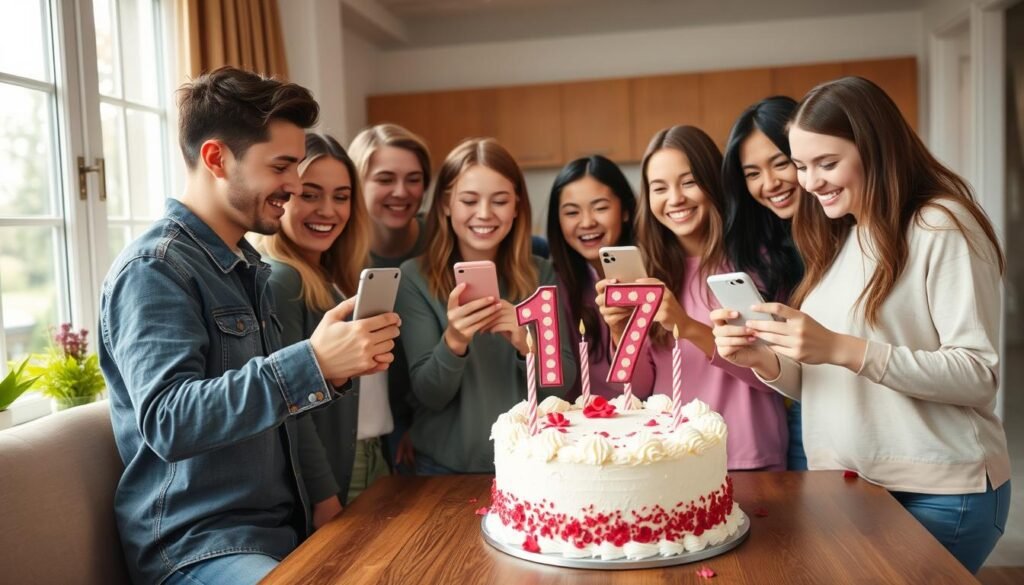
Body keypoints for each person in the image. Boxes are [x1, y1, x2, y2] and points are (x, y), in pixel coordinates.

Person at [99, 67, 400, 585]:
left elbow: (266, 408)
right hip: (202, 549)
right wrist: (312, 362)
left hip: (281, 531)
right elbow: (169, 420)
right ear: (217, 158)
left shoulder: (246, 269)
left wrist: (329, 370)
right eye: (282, 166)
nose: (295, 183)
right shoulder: (156, 269)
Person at [711, 76, 1010, 573]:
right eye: (803, 166)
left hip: (938, 490)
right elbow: (830, 378)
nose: (810, 182)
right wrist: (764, 359)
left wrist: (843, 348)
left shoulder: (941, 225)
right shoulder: (841, 236)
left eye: (827, 164)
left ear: (879, 149)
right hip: (854, 485)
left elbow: (979, 376)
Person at [597, 125, 787, 470]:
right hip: (671, 460)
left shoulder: (758, 263)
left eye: (688, 182)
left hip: (748, 456)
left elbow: (775, 377)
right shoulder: (650, 271)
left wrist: (684, 325)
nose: (675, 199)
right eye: (659, 188)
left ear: (713, 182)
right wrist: (622, 331)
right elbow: (639, 388)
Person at [395, 138, 576, 474]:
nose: (484, 214)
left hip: (530, 466)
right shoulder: (413, 278)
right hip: (441, 471)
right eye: (469, 200)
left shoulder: (542, 272)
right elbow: (429, 395)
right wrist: (455, 341)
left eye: (500, 201)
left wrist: (526, 343)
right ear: (446, 205)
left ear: (517, 206)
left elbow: (559, 388)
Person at [259, 133, 382, 526]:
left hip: (369, 451)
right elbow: (292, 407)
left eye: (341, 196)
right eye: (310, 194)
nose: (327, 210)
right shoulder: (283, 281)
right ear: (284, 196)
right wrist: (324, 494)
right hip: (335, 470)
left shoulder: (331, 275)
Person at [720, 96, 808, 470]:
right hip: (805, 410)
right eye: (753, 173)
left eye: (780, 164)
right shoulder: (766, 246)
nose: (769, 183)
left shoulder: (848, 235)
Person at [348, 124, 432, 474]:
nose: (401, 191)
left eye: (413, 179)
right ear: (356, 183)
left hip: (433, 411)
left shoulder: (440, 239)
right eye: (385, 179)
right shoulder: (341, 256)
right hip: (372, 420)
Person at [545, 155, 654, 400]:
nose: (587, 222)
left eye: (601, 207)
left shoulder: (654, 275)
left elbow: (641, 389)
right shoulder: (552, 283)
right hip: (574, 430)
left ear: (625, 210)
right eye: (572, 212)